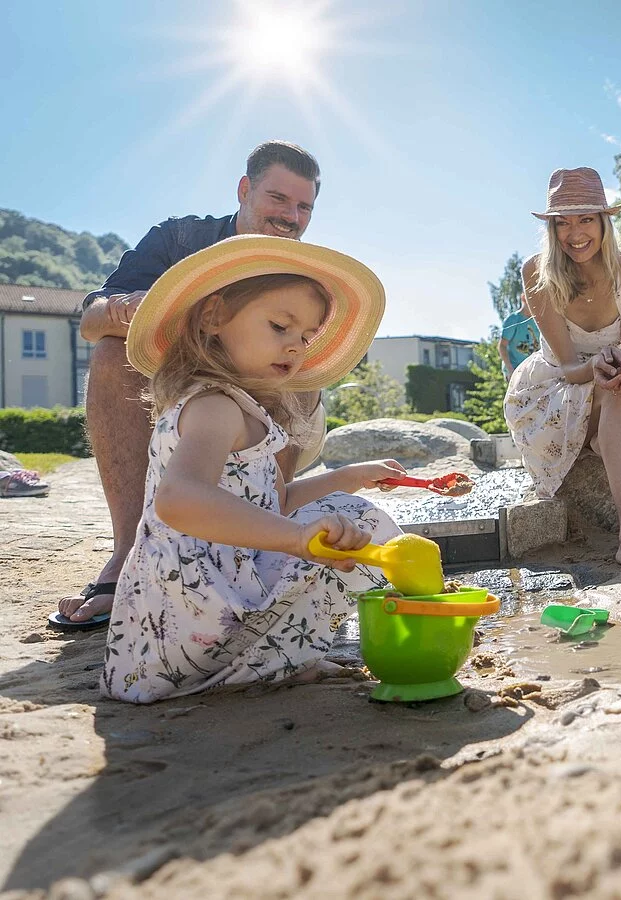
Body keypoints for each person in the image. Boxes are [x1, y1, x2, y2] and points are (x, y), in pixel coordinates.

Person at [102, 234, 400, 703]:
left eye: (305, 337)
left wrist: (351, 475)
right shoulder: (214, 406)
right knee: (359, 522)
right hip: (197, 612)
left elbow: (274, 501)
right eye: (280, 326)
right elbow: (177, 500)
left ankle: (262, 657)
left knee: (346, 506)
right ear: (213, 317)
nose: (295, 347)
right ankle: (267, 660)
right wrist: (297, 540)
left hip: (186, 622)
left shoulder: (240, 408)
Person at [56, 141, 324, 631]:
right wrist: (126, 310)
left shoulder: (304, 270)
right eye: (278, 198)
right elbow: (91, 322)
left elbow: (324, 348)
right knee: (112, 351)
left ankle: (269, 541)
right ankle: (130, 555)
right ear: (243, 190)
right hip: (174, 393)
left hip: (272, 405)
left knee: (301, 369)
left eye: (303, 206)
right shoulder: (178, 239)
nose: (291, 217)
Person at [504, 167, 621, 575]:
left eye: (586, 219)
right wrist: (598, 366)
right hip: (555, 390)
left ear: (604, 221)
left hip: (613, 379)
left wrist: (614, 364)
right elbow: (569, 367)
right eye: (562, 222)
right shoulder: (536, 271)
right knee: (615, 383)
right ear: (551, 228)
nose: (574, 233)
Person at [499, 292, 540, 380]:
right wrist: (510, 369)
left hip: (533, 370)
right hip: (515, 369)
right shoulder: (513, 319)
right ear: (523, 297)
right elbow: (502, 346)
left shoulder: (538, 320)